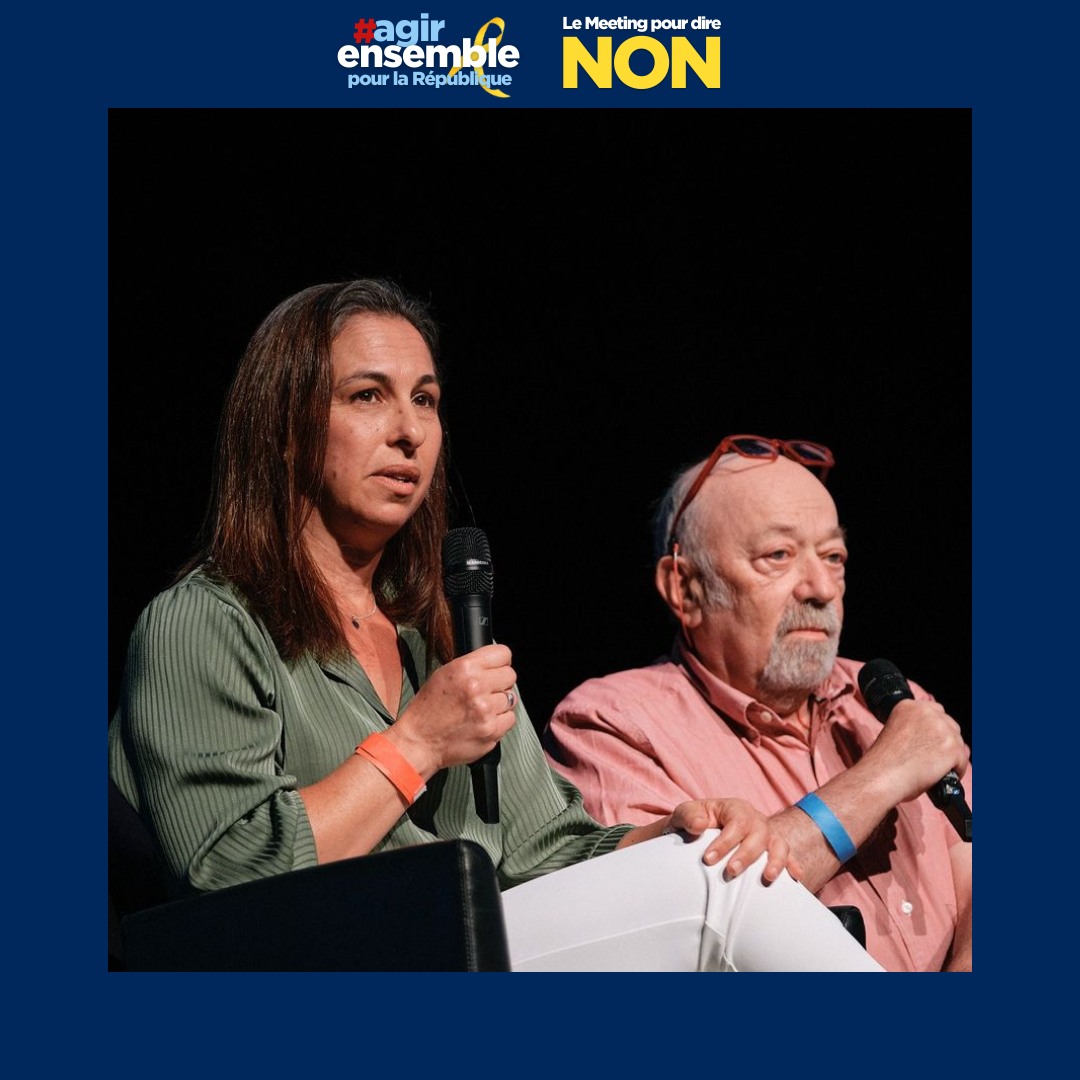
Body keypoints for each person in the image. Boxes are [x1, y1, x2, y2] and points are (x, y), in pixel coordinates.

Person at [109, 285, 882, 971]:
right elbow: (228, 870)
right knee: (725, 895)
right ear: (283, 426)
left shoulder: (438, 634)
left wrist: (671, 836)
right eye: (367, 396)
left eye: (426, 400)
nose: (409, 432)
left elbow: (549, 849)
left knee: (721, 866)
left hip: (470, 949)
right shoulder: (201, 623)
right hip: (339, 966)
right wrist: (416, 744)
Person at [544, 436, 972, 971]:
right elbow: (696, 920)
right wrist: (883, 774)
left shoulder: (889, 700)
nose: (821, 588)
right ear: (685, 588)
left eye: (833, 557)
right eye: (778, 556)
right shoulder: (610, 725)